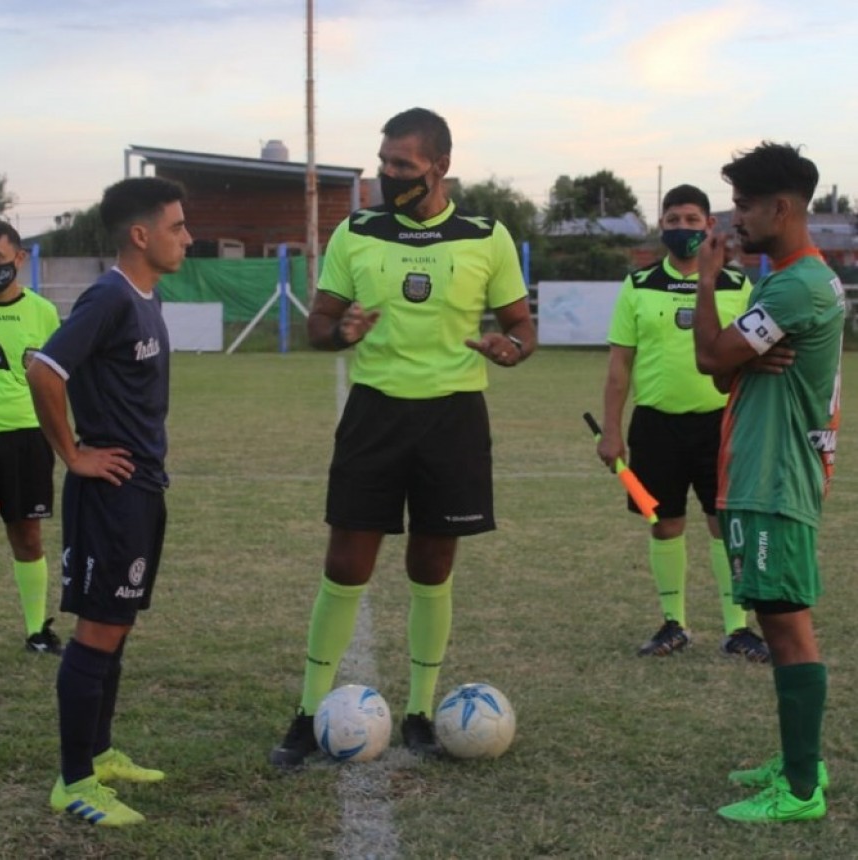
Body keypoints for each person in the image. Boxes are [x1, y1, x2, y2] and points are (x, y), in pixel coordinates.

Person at [270, 107, 536, 769]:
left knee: (432, 564)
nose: (387, 176)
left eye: (402, 167)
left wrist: (511, 348)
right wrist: (343, 334)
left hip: (454, 416)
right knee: (346, 564)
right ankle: (308, 711)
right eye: (385, 163)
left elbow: (522, 327)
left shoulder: (486, 236)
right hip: (376, 413)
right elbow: (319, 326)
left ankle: (420, 711)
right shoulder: (356, 232)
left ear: (439, 166)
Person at [26, 177, 192, 826]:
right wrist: (74, 454)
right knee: (96, 631)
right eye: (177, 227)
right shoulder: (109, 297)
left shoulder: (146, 299)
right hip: (110, 495)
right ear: (140, 235)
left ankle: (98, 754)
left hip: (143, 489)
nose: (187, 236)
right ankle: (72, 782)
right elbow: (44, 368)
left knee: (116, 627)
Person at [693, 142, 843, 822]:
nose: (736, 219)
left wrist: (704, 280)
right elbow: (728, 370)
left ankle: (803, 789)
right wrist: (736, 360)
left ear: (781, 207)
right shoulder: (785, 281)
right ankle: (797, 761)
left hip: (775, 476)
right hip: (765, 469)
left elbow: (708, 357)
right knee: (778, 616)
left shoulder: (796, 284)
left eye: (745, 205)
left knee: (785, 626)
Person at [597, 184, 769, 661]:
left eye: (692, 220)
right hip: (655, 426)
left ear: (708, 226)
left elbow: (757, 356)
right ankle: (674, 624)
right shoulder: (639, 285)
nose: (682, 229)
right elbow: (619, 367)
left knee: (724, 525)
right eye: (673, 220)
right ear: (662, 226)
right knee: (665, 525)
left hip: (720, 424)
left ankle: (737, 627)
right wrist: (612, 430)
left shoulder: (736, 286)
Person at [0, 222, 63, 654]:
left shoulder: (43, 312)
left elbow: (56, 382)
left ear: (19, 259)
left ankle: (37, 631)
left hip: (25, 437)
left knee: (28, 536)